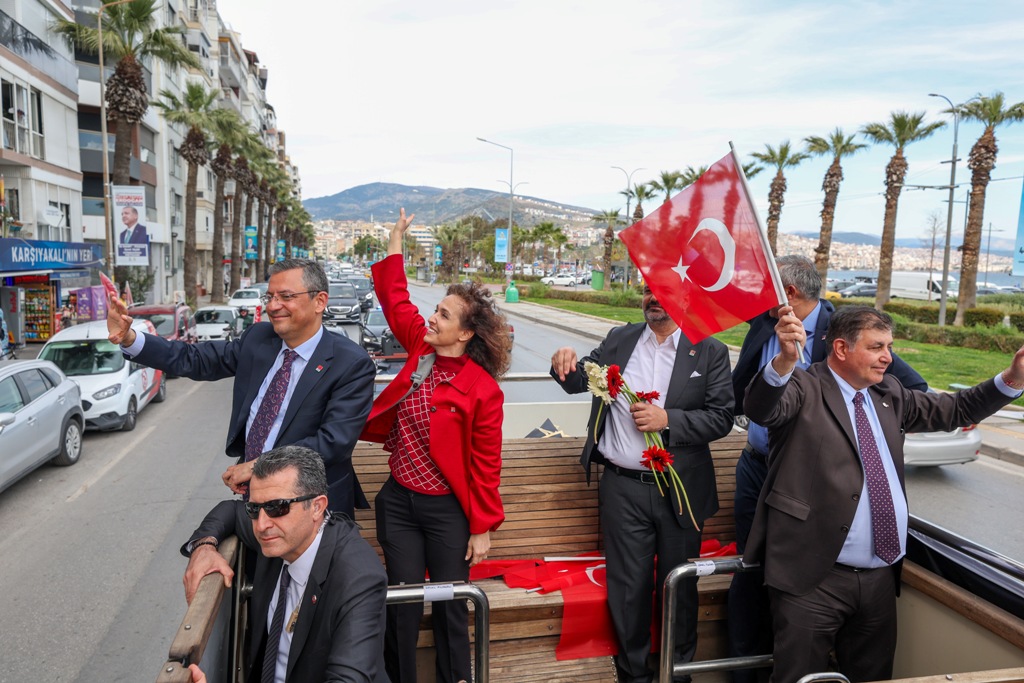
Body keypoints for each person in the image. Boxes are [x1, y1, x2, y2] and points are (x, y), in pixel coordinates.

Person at [744, 305, 1024, 682]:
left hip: (879, 579)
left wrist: (1012, 378)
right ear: (841, 349)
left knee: (872, 676)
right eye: (877, 347)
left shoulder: (889, 392)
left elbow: (956, 409)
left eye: (889, 346)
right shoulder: (803, 387)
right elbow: (761, 407)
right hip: (812, 578)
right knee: (799, 676)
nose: (888, 358)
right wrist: (783, 362)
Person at [727, 256, 926, 682]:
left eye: (769, 288)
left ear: (791, 292)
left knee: (810, 577)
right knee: (754, 574)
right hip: (758, 470)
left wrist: (864, 446)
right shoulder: (765, 324)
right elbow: (753, 399)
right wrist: (780, 362)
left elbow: (911, 391)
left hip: (817, 483)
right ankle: (748, 668)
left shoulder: (847, 331)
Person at [550, 285, 734, 683]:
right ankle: (634, 676)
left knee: (679, 589)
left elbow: (722, 417)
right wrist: (563, 363)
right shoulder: (621, 338)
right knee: (628, 591)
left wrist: (668, 420)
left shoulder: (710, 351)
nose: (654, 298)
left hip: (679, 489)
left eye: (665, 291)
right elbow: (580, 379)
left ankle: (676, 674)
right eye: (649, 290)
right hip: (622, 489)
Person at [360, 208, 509, 683]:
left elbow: (486, 465)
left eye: (443, 313)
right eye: (437, 309)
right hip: (400, 504)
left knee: (449, 608)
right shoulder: (420, 346)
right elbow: (394, 296)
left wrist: (481, 528)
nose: (432, 315)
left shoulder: (484, 390)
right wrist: (394, 238)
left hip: (448, 512)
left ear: (465, 333)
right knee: (400, 607)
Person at [106, 258, 376, 517]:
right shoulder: (258, 338)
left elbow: (332, 443)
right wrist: (130, 339)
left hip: (313, 507)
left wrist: (257, 467)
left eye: (286, 296)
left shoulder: (351, 364)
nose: (273, 306)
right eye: (269, 297)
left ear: (319, 301)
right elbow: (196, 359)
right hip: (256, 501)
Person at [181, 445, 388, 682]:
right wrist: (204, 548)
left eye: (277, 507)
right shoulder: (281, 533)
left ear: (317, 507)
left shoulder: (358, 578)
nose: (261, 525)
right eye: (254, 508)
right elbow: (228, 510)